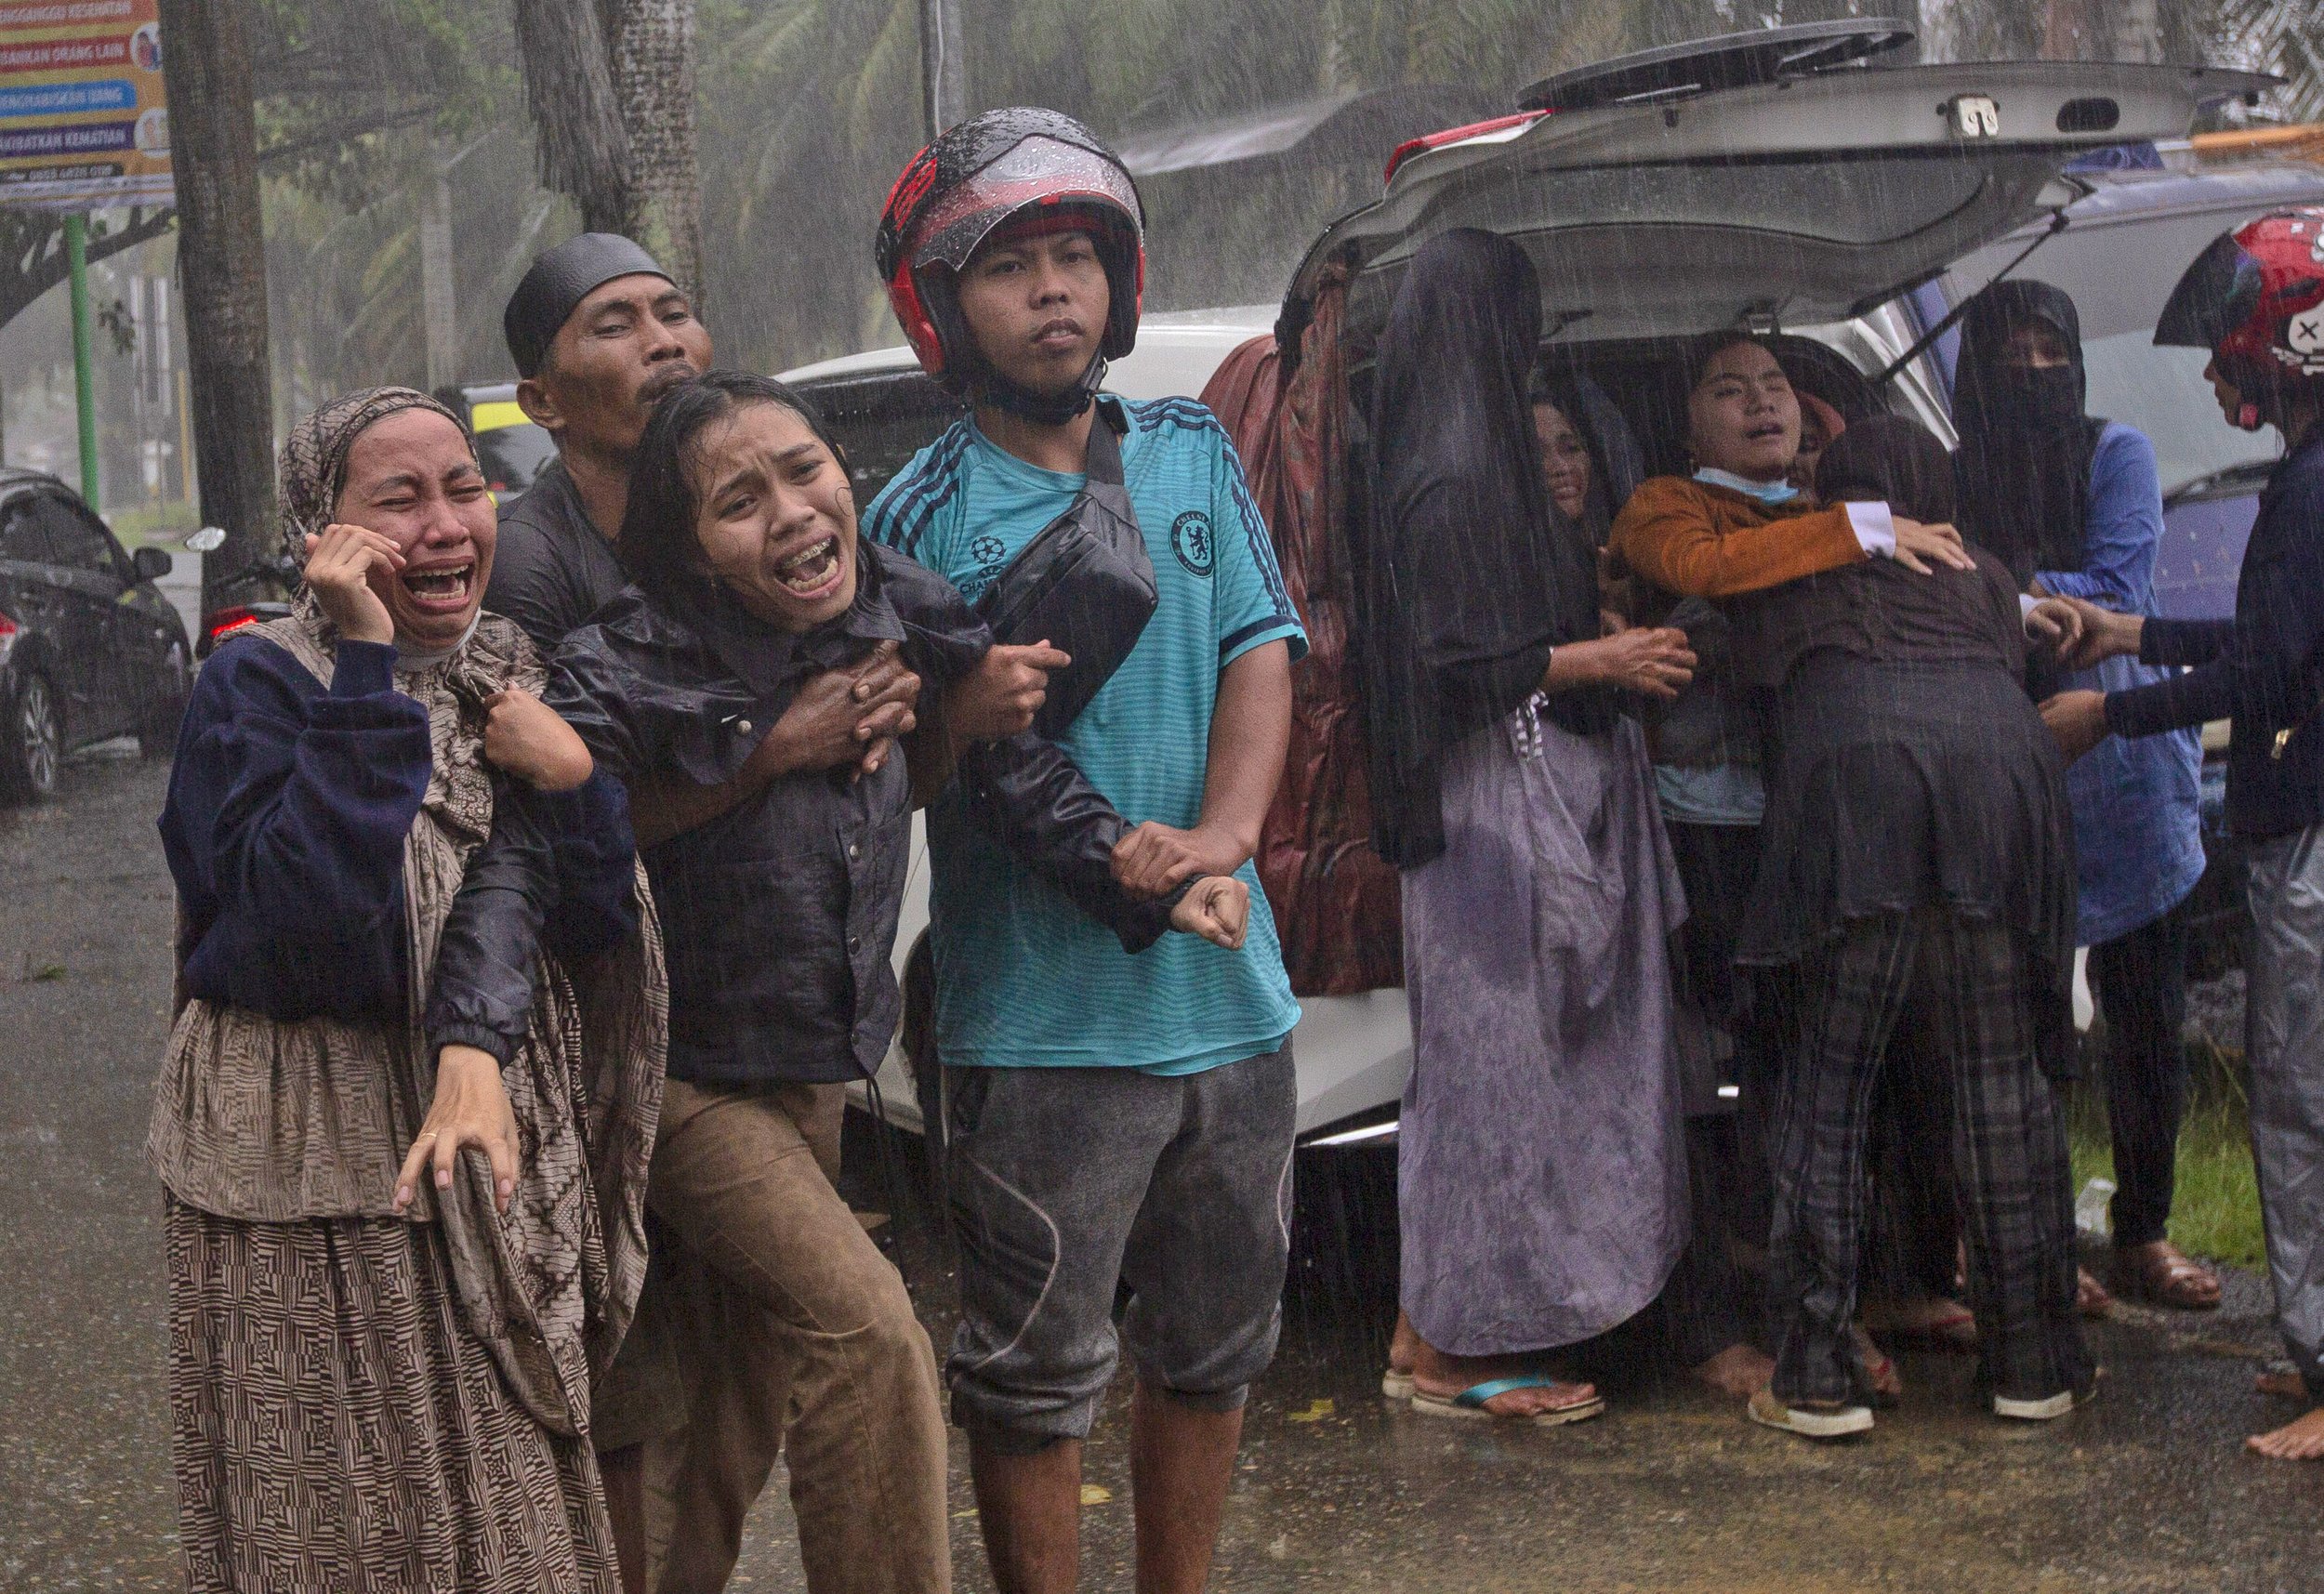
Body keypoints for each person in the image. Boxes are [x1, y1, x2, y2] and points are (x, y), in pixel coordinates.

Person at [548, 369, 1252, 1594]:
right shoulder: (626, 660)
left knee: (732, 1410)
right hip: (663, 1066)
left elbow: (1014, 766)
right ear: (694, 549)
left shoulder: (895, 603)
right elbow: (565, 842)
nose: (792, 513)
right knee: (871, 1337)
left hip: (807, 1067)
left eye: (806, 469)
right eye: (738, 500)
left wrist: (1137, 873)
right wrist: (774, 746)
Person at [864, 109, 1304, 1594]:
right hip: (1039, 1028)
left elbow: (1261, 652)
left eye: (1075, 259)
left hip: (1236, 1004)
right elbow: (900, 771)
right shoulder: (909, 517)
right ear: (944, 305)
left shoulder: (1188, 450)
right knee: (1035, 1370)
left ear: (1119, 283)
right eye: (1008, 267)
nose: (1052, 292)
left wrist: (1224, 837)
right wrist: (961, 715)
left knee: (1215, 1353)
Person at [149, 388, 663, 1591]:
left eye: (463, 486)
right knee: (344, 1519)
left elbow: (586, 918)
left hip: (486, 1146)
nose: (442, 524)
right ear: (322, 532)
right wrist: (367, 662)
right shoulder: (255, 683)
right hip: (307, 1161)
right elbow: (305, 930)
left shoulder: (513, 671)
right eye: (397, 498)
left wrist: (579, 776)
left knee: (512, 1513)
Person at [1612, 348, 2099, 1438]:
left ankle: (1818, 1373)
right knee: (1998, 1092)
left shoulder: (1794, 567)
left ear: (1833, 494)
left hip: (1859, 814)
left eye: (1773, 385)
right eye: (1729, 384)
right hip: (1999, 809)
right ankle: (2033, 1362)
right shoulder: (1981, 577)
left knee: (1826, 1097)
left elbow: (1714, 655)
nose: (1762, 402)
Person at [1353, 228, 1699, 1423]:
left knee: (1487, 1070)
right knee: (1491, 1074)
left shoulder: (1461, 459)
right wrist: (1598, 652)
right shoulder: (1452, 472)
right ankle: (1456, 1352)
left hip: (1498, 794)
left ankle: (1425, 1326)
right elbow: (1447, 663)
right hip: (1484, 807)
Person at [2042, 207, 2324, 1460]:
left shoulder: (2316, 486)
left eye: (2230, 350)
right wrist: (2133, 635)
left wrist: (2111, 710)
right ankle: (2316, 1344)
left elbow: (2268, 680)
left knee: (2308, 1096)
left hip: (2310, 825)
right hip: (2300, 816)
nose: (2215, 373)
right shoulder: (2308, 478)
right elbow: (2278, 646)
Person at [1953, 280, 2218, 1312]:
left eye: (2049, 352)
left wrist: (2002, 588)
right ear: (1978, 369)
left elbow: (2111, 592)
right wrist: (2014, 597)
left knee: (2146, 1020)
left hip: (2125, 766)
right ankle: (2030, 1243)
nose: (2033, 373)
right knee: (2020, 1031)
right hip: (2009, 773)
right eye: (2010, 355)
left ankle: (2142, 1230)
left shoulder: (2119, 453)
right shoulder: (1955, 474)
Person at [488, 232, 713, 648]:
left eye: (676, 315)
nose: (665, 343)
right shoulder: (522, 559)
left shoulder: (755, 510)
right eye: (613, 328)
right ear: (543, 402)